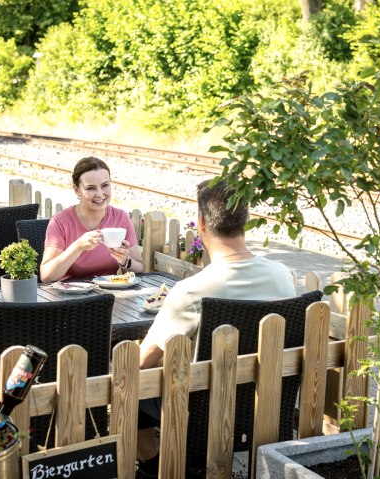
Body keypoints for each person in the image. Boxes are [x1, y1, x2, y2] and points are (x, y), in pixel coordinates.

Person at [135, 179, 296, 478]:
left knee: (132, 387)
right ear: (246, 222)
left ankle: (155, 466)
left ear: (200, 225)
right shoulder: (284, 276)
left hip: (204, 417)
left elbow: (141, 364)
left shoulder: (191, 291)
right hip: (270, 406)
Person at [40, 156, 143, 282]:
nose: (100, 194)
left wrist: (125, 261)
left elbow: (139, 268)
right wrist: (78, 247)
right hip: (68, 296)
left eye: (105, 185)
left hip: (108, 294)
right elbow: (46, 276)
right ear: (77, 190)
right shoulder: (60, 222)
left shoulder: (121, 218)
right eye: (91, 188)